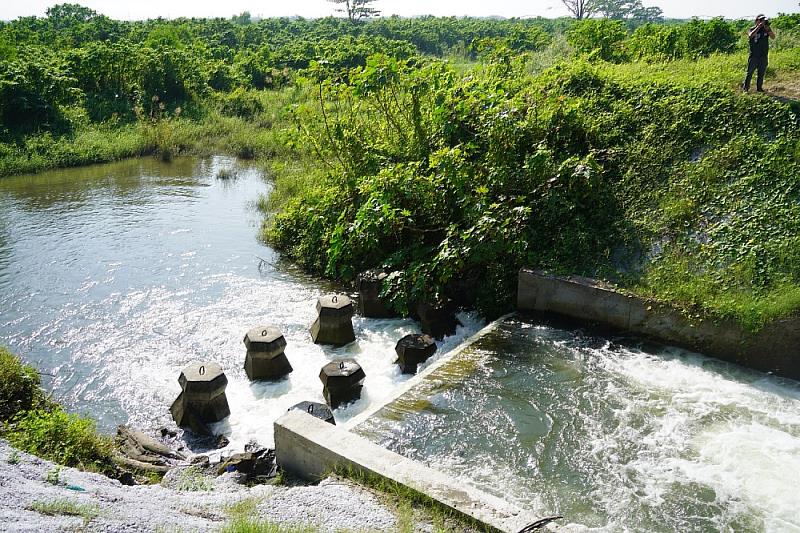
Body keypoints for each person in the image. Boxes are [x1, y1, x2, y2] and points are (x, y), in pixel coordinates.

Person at [743, 14, 776, 93]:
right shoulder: (752, 29)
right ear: (756, 21)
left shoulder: (766, 29)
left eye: (763, 21)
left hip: (763, 56)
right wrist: (758, 27)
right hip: (754, 55)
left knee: (761, 73)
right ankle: (746, 88)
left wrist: (767, 28)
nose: (762, 22)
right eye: (761, 20)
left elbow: (773, 37)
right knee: (750, 73)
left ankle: (759, 88)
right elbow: (751, 36)